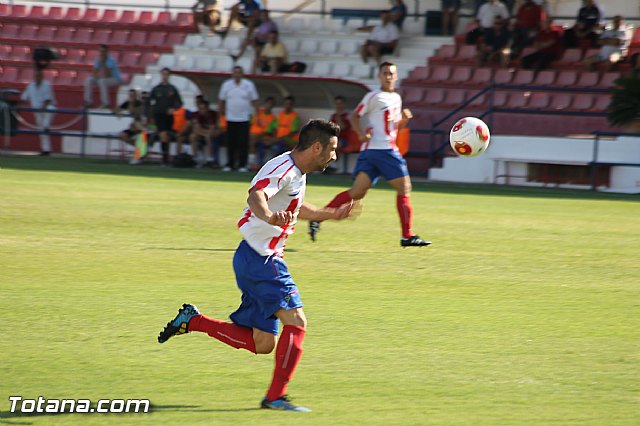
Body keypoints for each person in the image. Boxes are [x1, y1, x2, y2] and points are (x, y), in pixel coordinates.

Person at [157, 119, 353, 412]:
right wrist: (269, 217)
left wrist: (330, 215)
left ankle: (192, 320)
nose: (334, 156)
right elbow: (256, 195)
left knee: (263, 343)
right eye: (332, 149)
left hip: (252, 257)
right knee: (297, 323)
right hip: (263, 260)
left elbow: (296, 208)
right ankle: (275, 397)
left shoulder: (296, 172)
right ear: (316, 147)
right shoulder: (284, 168)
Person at [308, 62, 430, 247]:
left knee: (357, 192)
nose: (388, 76)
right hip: (384, 151)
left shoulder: (396, 98)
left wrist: (404, 120)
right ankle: (407, 235)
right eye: (385, 73)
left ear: (396, 76)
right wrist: (360, 133)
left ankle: (317, 217)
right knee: (404, 188)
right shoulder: (373, 96)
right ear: (379, 76)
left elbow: (394, 126)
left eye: (391, 73)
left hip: (373, 152)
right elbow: (355, 116)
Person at [218, 66, 259, 172]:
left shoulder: (249, 85)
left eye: (239, 73)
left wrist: (258, 115)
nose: (237, 75)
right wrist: (220, 115)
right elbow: (221, 101)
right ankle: (230, 164)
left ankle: (242, 165)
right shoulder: (226, 85)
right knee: (231, 142)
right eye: (235, 72)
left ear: (242, 74)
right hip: (230, 118)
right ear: (232, 74)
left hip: (244, 118)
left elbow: (255, 101)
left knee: (243, 143)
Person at [149, 68, 183, 166]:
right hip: (159, 115)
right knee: (162, 134)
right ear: (161, 75)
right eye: (163, 74)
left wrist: (174, 108)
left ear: (169, 76)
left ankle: (166, 157)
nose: (165, 76)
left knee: (166, 136)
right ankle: (164, 159)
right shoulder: (156, 89)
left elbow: (180, 103)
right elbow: (150, 102)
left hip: (169, 117)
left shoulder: (172, 89)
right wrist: (150, 116)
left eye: (167, 74)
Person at [21, 68, 56, 156]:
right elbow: (24, 97)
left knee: (49, 112)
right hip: (37, 111)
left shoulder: (46, 84)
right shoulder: (30, 86)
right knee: (42, 130)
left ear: (42, 76)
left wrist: (43, 106)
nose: (37, 77)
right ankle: (46, 150)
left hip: (47, 108)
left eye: (39, 75)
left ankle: (46, 125)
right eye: (36, 75)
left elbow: (49, 99)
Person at [257, 95, 300, 166]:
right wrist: (269, 138)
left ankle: (274, 166)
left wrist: (275, 140)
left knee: (278, 146)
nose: (288, 106)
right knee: (262, 143)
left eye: (290, 104)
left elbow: (292, 133)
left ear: (292, 105)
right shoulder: (280, 115)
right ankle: (260, 165)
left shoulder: (294, 117)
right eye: (286, 104)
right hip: (277, 139)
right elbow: (271, 129)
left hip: (288, 140)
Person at [83, 45, 123, 109]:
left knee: (102, 81)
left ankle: (105, 103)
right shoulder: (97, 60)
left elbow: (107, 74)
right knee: (89, 80)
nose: (101, 53)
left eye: (103, 51)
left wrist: (102, 62)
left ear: (107, 52)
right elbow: (94, 73)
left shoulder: (111, 60)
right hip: (102, 77)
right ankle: (88, 102)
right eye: (100, 51)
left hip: (115, 78)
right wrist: (96, 74)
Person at [189, 100, 221, 167]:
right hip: (202, 134)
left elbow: (212, 130)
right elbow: (196, 129)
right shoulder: (197, 115)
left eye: (203, 109)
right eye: (200, 108)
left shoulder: (213, 114)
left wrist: (203, 131)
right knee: (192, 136)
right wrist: (204, 132)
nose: (201, 110)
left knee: (208, 136)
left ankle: (210, 159)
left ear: (207, 108)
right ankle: (196, 158)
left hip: (213, 134)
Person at [248, 96, 277, 170]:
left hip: (262, 137)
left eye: (271, 104)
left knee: (253, 140)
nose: (269, 106)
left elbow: (269, 132)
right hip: (251, 135)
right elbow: (250, 124)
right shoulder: (258, 114)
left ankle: (251, 164)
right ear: (265, 104)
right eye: (268, 104)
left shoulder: (273, 118)